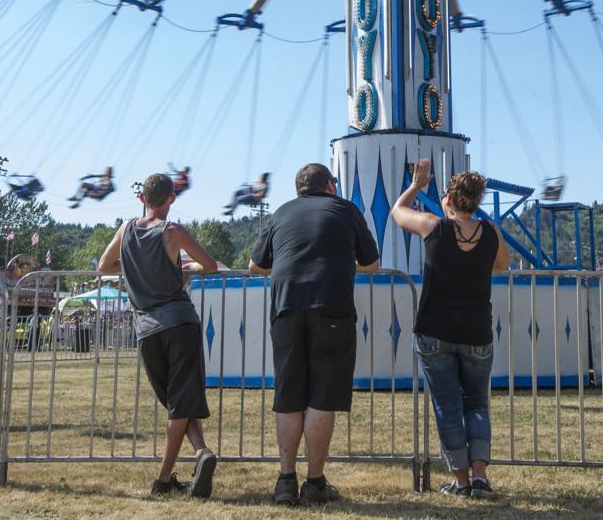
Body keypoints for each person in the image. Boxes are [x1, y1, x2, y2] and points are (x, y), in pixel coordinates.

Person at [248, 163, 380, 506]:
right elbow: (372, 262)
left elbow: (255, 265)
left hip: (287, 306)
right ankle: (315, 481)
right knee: (323, 394)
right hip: (331, 305)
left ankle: (285, 481)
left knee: (289, 393)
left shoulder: (281, 213)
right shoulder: (345, 210)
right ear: (330, 185)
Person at [391, 159, 510, 499]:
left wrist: (416, 185)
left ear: (449, 200)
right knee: (476, 405)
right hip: (476, 331)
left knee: (447, 407)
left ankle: (459, 480)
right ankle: (480, 477)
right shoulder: (489, 233)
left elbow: (399, 212)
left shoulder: (434, 226)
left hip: (435, 331)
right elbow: (502, 264)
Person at [97, 172, 221, 498]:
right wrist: (186, 269)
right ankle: (164, 479)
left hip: (146, 330)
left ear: (142, 199)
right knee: (181, 403)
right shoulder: (172, 232)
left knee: (177, 402)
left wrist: (133, 271)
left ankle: (201, 453)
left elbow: (103, 266)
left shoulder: (125, 229)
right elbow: (208, 265)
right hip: (179, 323)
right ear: (172, 199)